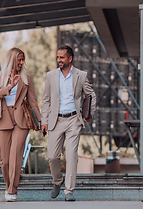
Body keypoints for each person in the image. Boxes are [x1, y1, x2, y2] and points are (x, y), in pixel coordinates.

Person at [41, 44, 96, 201]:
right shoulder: (51, 76)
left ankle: (69, 191)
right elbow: (46, 100)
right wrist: (44, 120)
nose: (58, 60)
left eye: (62, 57)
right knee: (52, 156)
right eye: (57, 57)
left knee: (71, 156)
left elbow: (91, 95)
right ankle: (58, 181)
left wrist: (89, 113)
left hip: (73, 120)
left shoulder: (81, 75)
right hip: (55, 120)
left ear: (70, 58)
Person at [0, 47, 41, 202]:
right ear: (12, 60)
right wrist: (10, 86)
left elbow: (32, 101)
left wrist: (40, 120)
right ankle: (8, 186)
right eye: (19, 59)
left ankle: (12, 190)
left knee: (16, 155)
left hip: (21, 120)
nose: (21, 63)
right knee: (5, 160)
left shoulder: (27, 78)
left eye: (22, 60)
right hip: (3, 119)